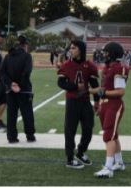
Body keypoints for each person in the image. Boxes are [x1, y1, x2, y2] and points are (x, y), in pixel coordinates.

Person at [89, 42, 129, 178]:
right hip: (106, 104)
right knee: (113, 135)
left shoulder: (118, 68)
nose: (103, 54)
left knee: (108, 136)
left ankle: (108, 168)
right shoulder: (107, 68)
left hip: (114, 104)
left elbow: (120, 91)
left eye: (106, 52)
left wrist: (102, 93)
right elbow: (103, 90)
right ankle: (119, 162)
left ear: (112, 54)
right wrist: (99, 102)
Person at [57, 40, 99, 169]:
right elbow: (61, 83)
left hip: (85, 102)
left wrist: (97, 101)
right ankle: (70, 158)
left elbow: (95, 85)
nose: (71, 50)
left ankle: (80, 152)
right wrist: (75, 86)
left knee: (88, 129)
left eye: (73, 48)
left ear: (80, 49)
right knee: (70, 130)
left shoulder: (90, 66)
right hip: (72, 102)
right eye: (70, 48)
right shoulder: (66, 65)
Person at [0, 35, 36, 143]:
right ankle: (30, 136)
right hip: (24, 89)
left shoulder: (8, 56)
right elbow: (26, 72)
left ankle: (11, 137)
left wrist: (11, 84)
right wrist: (19, 85)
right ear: (25, 45)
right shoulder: (27, 56)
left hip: (10, 90)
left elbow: (2, 72)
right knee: (27, 113)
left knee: (11, 114)